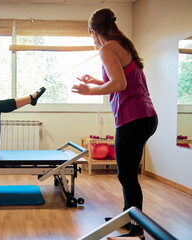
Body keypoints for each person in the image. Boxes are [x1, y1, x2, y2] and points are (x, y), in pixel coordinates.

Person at [72, 8, 158, 239]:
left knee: (126, 175)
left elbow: (118, 84)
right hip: (144, 116)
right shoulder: (122, 44)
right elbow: (123, 81)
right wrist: (97, 81)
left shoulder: (107, 48)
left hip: (134, 118)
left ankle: (136, 228)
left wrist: (89, 90)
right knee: (127, 173)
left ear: (93, 31)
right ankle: (127, 217)